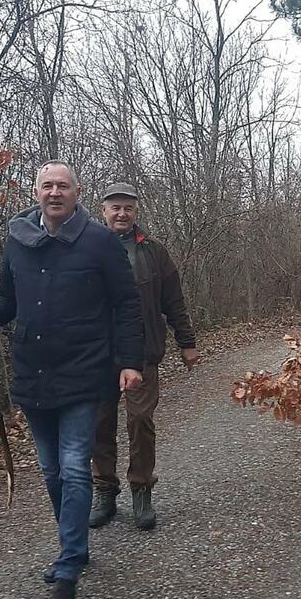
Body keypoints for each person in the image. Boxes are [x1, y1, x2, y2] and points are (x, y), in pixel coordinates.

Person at [0, 161, 144, 599]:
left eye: (63, 186)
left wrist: (130, 362)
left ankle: (68, 567)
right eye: (47, 186)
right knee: (51, 469)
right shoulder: (18, 239)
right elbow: (6, 299)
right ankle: (73, 544)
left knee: (75, 467)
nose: (54, 193)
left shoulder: (99, 241)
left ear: (77, 193)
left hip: (85, 371)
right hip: (32, 372)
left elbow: (126, 304)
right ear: (36, 192)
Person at [91, 183, 198, 531]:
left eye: (128, 208)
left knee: (140, 421)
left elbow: (174, 302)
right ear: (104, 211)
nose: (122, 214)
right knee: (99, 425)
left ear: (136, 212)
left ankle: (141, 490)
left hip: (142, 352)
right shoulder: (87, 248)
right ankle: (105, 491)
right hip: (96, 354)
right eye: (115, 208)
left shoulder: (153, 252)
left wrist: (187, 342)